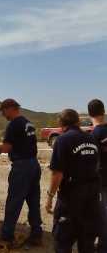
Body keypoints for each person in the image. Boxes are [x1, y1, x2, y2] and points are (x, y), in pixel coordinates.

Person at [0, 98, 42, 247]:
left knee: (14, 201)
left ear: (10, 108)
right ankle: (36, 234)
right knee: (33, 201)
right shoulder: (28, 123)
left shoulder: (13, 125)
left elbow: (6, 148)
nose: (3, 115)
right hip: (34, 164)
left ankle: (6, 237)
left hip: (22, 167)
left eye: (3, 111)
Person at [46, 109, 100, 253]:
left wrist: (50, 197)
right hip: (92, 197)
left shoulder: (62, 140)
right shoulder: (91, 138)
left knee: (63, 240)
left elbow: (57, 174)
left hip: (71, 197)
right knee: (87, 240)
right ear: (77, 121)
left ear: (61, 124)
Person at [88, 99, 107, 252]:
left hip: (102, 181)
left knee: (100, 214)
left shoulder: (94, 135)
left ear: (89, 114)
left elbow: (92, 163)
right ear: (104, 111)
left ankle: (102, 247)